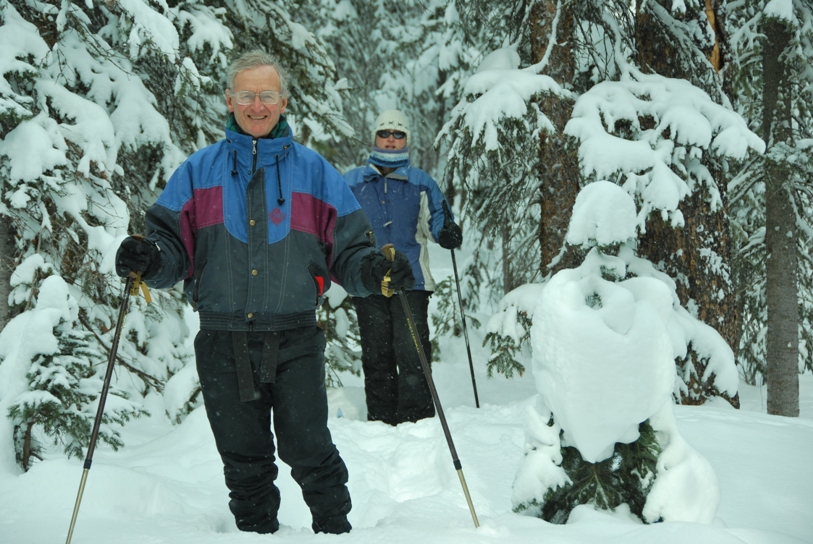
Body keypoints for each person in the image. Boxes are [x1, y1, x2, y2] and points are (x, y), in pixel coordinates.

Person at [114, 50, 415, 536]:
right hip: (222, 340)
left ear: (284, 101)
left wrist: (376, 271)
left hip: (295, 337)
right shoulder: (197, 172)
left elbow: (350, 252)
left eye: (268, 95)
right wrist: (148, 259)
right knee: (244, 459)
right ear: (229, 99)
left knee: (309, 448)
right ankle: (256, 536)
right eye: (248, 95)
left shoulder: (315, 173)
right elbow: (171, 249)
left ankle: (335, 532)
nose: (258, 105)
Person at [343, 109, 463, 426]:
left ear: (407, 139)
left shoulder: (421, 182)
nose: (391, 139)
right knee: (376, 354)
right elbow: (336, 226)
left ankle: (416, 422)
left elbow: (437, 221)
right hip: (367, 280)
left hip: (412, 281)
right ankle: (381, 422)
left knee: (412, 351)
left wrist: (446, 231)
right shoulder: (352, 182)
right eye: (384, 132)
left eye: (398, 134)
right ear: (374, 137)